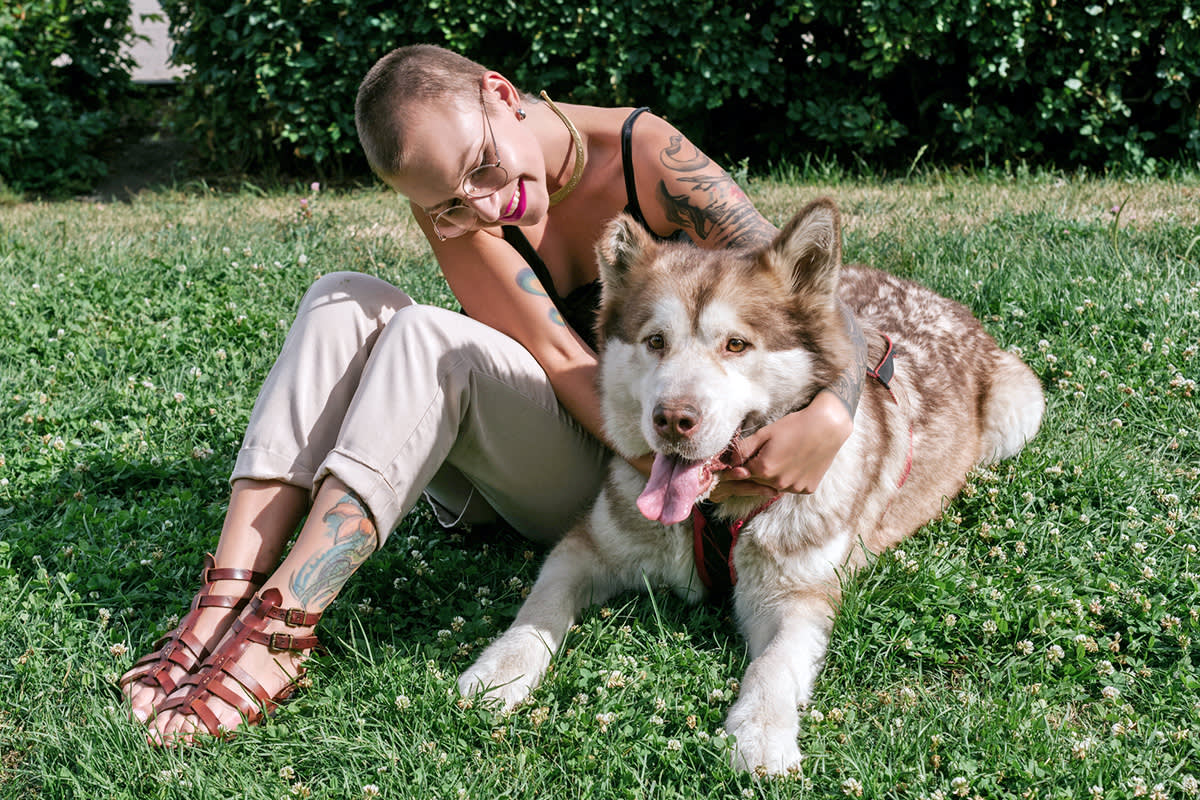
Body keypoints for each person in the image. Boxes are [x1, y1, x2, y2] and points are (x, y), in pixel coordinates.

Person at [120, 43, 869, 744]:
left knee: (421, 336)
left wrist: (834, 412)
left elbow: (809, 304)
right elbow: (548, 354)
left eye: (482, 166)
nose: (484, 206)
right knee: (340, 296)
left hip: (619, 464)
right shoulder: (452, 196)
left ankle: (283, 626)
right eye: (447, 205)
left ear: (502, 95)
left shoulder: (646, 156)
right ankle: (224, 597)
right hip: (562, 448)